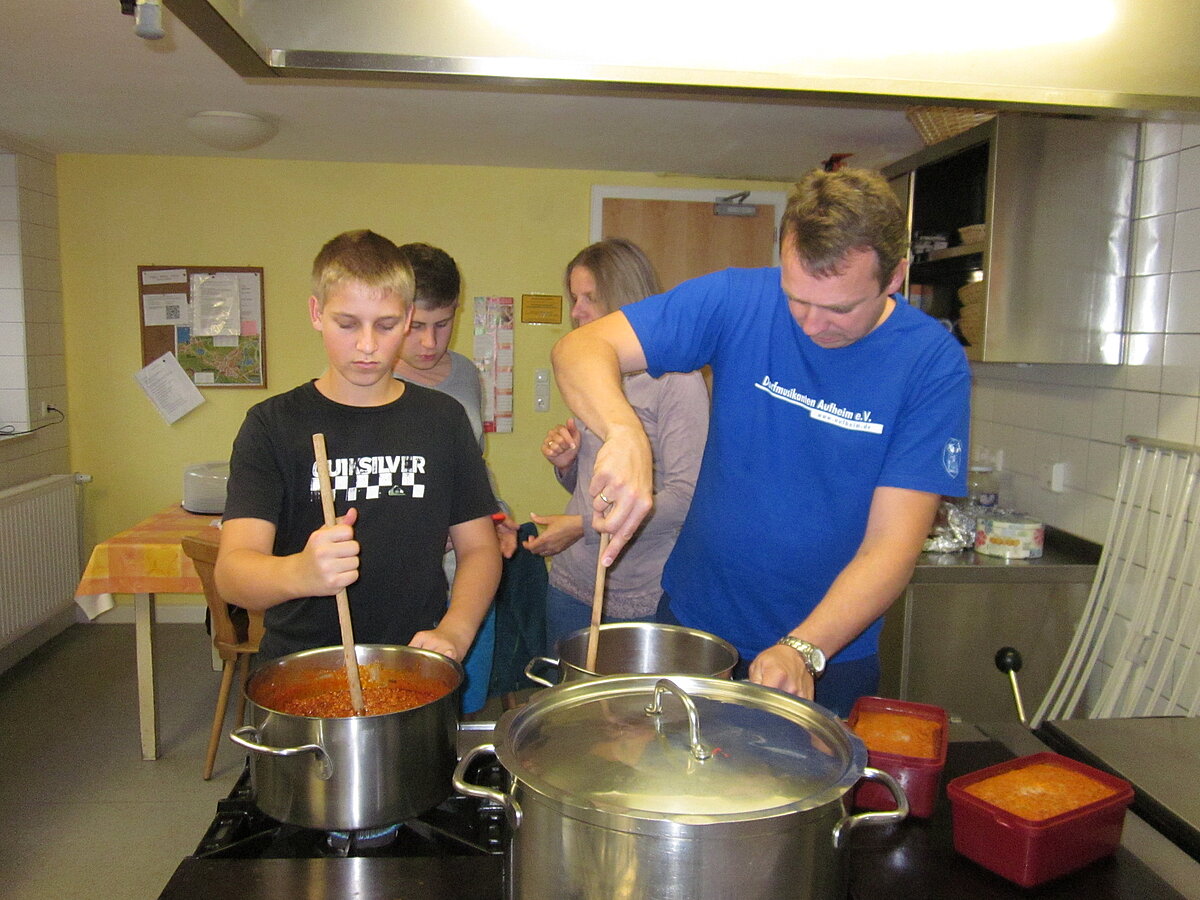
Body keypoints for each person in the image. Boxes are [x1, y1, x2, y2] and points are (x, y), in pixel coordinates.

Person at [550, 168, 971, 716]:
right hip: (695, 628)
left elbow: (891, 548)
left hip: (829, 649)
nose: (811, 325)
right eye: (797, 298)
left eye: (839, 308)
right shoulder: (738, 299)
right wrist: (624, 433)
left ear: (894, 277)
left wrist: (804, 648)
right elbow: (579, 350)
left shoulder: (931, 362)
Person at [215, 229, 502, 669]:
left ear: (407, 317)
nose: (367, 345)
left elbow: (480, 549)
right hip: (303, 664)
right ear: (316, 312)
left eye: (386, 325)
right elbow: (232, 573)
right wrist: (300, 572)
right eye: (347, 324)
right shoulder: (272, 425)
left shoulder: (443, 420)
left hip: (414, 662)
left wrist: (455, 631)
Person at [523, 238, 708, 650]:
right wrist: (568, 464)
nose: (576, 312)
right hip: (570, 583)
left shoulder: (678, 380)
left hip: (639, 593)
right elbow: (594, 485)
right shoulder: (594, 372)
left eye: (589, 297)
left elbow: (686, 498)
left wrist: (582, 526)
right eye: (574, 298)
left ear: (626, 298)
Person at [393, 241, 516, 713]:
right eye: (416, 326)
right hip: (406, 584)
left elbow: (473, 467)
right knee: (408, 705)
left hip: (468, 572)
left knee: (465, 701)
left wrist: (496, 515)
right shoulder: (372, 381)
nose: (430, 342)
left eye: (442, 324)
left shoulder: (465, 372)